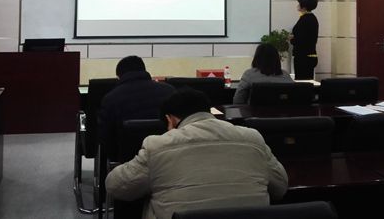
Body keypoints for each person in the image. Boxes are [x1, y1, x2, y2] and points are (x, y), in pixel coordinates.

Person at [105, 88, 288, 219]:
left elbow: (116, 186)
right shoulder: (253, 138)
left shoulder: (158, 145)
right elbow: (280, 186)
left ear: (170, 119)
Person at [98, 55, 175, 158]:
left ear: (119, 76)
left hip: (127, 157)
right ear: (144, 70)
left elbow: (106, 137)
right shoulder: (169, 91)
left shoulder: (111, 98)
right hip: (167, 153)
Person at [290, 0, 319, 80]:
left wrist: (292, 39)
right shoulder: (311, 18)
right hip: (308, 56)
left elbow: (301, 40)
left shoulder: (306, 19)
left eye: (299, 3)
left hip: (303, 57)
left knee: (303, 82)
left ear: (304, 6)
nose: (298, 5)